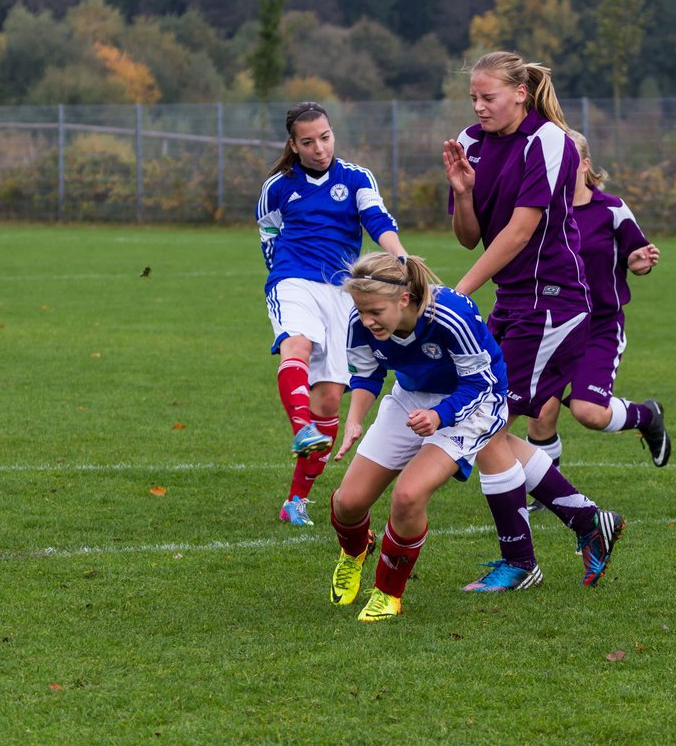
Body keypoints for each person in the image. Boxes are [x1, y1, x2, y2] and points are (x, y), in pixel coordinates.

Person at [442, 50, 625, 592]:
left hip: (553, 305)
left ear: (520, 93)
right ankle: (588, 521)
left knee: (484, 421)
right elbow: (470, 236)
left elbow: (521, 233)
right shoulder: (471, 142)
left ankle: (522, 561)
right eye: (473, 97)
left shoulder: (551, 142)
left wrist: (457, 293)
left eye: (488, 97)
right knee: (482, 418)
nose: (479, 107)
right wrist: (463, 193)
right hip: (513, 303)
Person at [328, 252, 511, 621]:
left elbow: (481, 381)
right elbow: (366, 374)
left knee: (409, 496)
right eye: (361, 310)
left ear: (404, 299)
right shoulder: (360, 319)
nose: (367, 320)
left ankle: (388, 593)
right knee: (348, 502)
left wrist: (439, 416)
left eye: (375, 311)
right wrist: (354, 421)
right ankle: (355, 551)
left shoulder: (450, 314)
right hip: (411, 397)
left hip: (474, 402)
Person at [255, 102, 407, 526]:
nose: (319, 147)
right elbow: (267, 230)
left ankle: (295, 502)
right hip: (294, 280)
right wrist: (279, 270)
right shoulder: (278, 186)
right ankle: (300, 427)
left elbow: (375, 218)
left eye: (325, 137)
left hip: (343, 294)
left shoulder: (356, 177)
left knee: (328, 401)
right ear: (294, 145)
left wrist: (400, 256)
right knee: (296, 346)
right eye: (308, 141)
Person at [524, 129, 670, 471]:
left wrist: (640, 264)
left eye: (568, 159)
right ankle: (550, 492)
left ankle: (647, 415)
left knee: (588, 412)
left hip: (599, 327)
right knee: (540, 411)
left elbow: (638, 256)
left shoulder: (612, 210)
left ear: (585, 165)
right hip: (553, 325)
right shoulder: (539, 212)